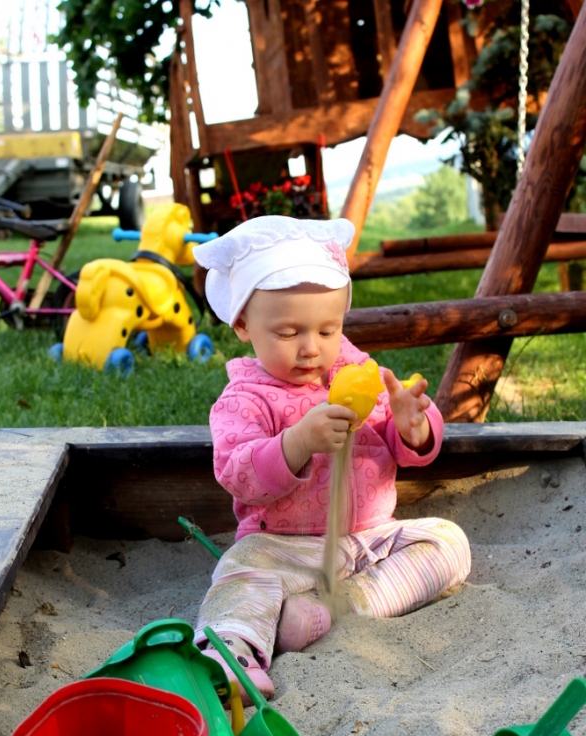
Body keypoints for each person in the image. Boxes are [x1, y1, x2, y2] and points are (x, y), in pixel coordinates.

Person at [192, 216, 471, 705]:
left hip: (371, 541)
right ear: (242, 325)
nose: (311, 347)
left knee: (448, 543)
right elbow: (237, 473)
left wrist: (414, 427)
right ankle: (232, 655)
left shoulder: (363, 375)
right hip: (283, 547)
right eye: (287, 331)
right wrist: (297, 441)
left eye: (328, 329)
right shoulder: (246, 399)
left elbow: (402, 444)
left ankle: (335, 608)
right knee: (239, 572)